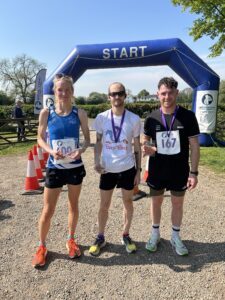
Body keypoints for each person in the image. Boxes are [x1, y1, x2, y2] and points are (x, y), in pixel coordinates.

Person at [32, 74, 90, 268]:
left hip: (74, 167)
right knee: (48, 210)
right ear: (55, 92)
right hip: (54, 167)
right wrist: (50, 151)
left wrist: (80, 150)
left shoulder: (79, 113)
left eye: (67, 89)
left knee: (73, 206)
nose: (63, 93)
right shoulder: (46, 113)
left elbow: (88, 141)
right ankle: (41, 246)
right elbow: (39, 139)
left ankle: (71, 239)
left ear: (72, 92)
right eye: (59, 89)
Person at [142, 77, 200, 256]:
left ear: (176, 93)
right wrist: (147, 146)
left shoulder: (188, 116)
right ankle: (155, 234)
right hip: (157, 169)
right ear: (157, 94)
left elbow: (195, 146)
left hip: (179, 170)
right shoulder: (151, 118)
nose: (167, 96)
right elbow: (144, 140)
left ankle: (175, 236)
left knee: (177, 203)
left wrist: (194, 172)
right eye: (163, 93)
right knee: (156, 202)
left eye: (170, 92)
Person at [89, 82, 142, 256]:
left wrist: (138, 171)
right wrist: (96, 161)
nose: (117, 97)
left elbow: (136, 148)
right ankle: (100, 236)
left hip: (127, 168)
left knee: (127, 202)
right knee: (104, 205)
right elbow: (97, 142)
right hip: (107, 169)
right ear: (108, 97)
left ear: (125, 95)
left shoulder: (134, 119)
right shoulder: (101, 118)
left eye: (120, 93)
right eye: (113, 94)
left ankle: (126, 234)